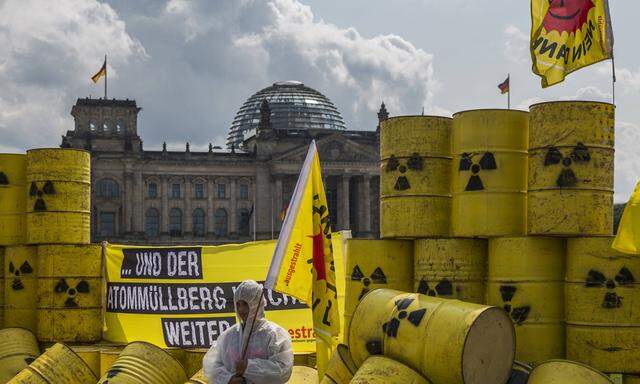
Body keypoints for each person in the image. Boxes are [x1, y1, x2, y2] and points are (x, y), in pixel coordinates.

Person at [203, 280, 294, 384]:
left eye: (245, 304)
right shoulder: (229, 336)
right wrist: (229, 379)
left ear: (257, 304)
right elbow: (211, 364)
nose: (241, 309)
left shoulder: (275, 335)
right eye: (238, 304)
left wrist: (249, 367)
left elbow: (283, 370)